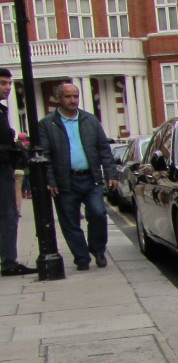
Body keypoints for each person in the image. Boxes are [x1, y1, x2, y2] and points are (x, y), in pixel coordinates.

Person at [38, 81, 118, 271]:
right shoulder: (47, 124)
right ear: (59, 98)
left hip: (91, 179)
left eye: (75, 96)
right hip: (65, 181)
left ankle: (98, 249)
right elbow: (45, 155)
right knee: (70, 221)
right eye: (68, 96)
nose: (73, 100)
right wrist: (51, 180)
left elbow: (104, 149)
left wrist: (111, 173)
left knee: (98, 213)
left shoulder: (90, 120)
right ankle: (81, 257)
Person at [0, 69, 34, 276]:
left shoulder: (1, 111)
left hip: (5, 168)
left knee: (8, 215)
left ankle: (9, 259)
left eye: (9, 84)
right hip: (1, 170)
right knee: (8, 215)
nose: (8, 88)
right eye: (3, 83)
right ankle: (9, 262)